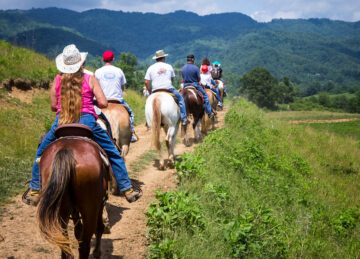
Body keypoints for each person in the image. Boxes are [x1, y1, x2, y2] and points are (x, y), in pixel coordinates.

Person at [23, 44, 142, 206]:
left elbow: (52, 106)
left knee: (41, 153)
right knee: (113, 152)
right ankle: (127, 189)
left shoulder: (58, 79)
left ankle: (35, 190)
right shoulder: (89, 78)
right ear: (80, 63)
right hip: (87, 122)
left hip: (62, 121)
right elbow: (102, 102)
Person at [95, 51, 138, 142]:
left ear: (103, 60)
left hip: (102, 102)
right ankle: (132, 133)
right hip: (117, 100)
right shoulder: (119, 71)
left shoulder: (98, 72)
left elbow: (95, 88)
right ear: (113, 59)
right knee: (130, 114)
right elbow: (122, 88)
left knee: (90, 114)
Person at [144, 50, 189, 126]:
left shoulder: (150, 68)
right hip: (168, 88)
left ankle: (148, 121)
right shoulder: (169, 66)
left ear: (156, 59)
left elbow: (146, 82)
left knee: (148, 103)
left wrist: (150, 91)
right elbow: (172, 79)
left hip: (155, 90)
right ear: (163, 58)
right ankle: (184, 118)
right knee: (181, 99)